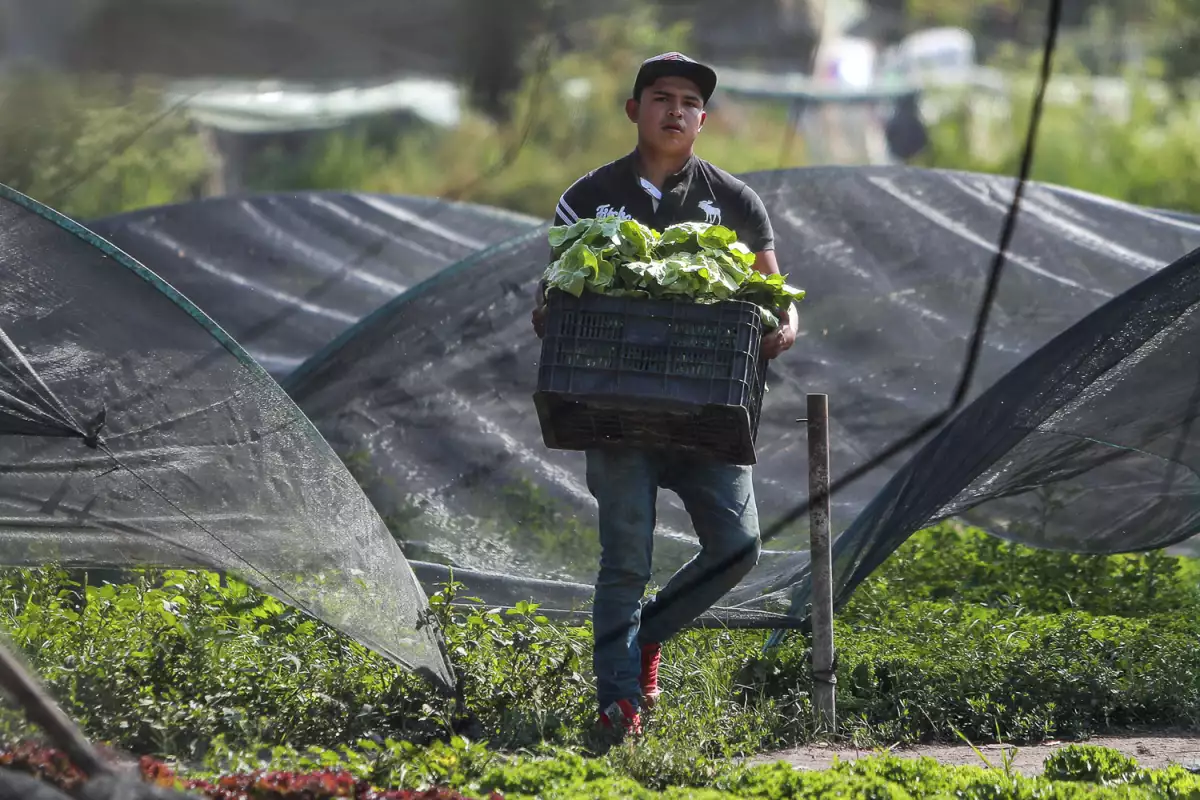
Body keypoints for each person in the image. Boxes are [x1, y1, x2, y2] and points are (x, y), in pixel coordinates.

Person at [530, 52, 797, 738]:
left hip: (709, 407)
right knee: (626, 560)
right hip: (616, 410)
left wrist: (786, 322)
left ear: (703, 120)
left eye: (689, 102)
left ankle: (648, 634)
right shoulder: (589, 197)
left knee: (737, 547)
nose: (675, 110)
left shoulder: (734, 201)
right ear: (634, 110)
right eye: (661, 97)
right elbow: (552, 288)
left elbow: (776, 292)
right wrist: (552, 309)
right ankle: (617, 701)